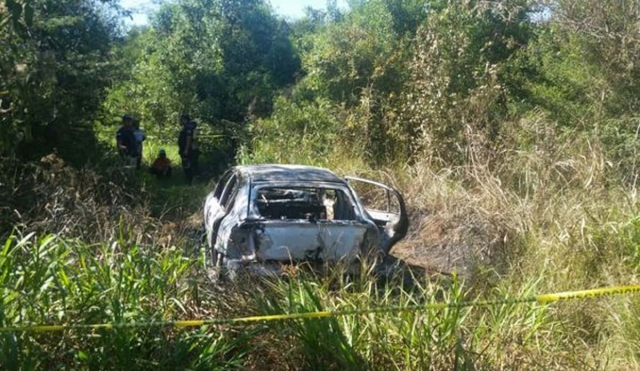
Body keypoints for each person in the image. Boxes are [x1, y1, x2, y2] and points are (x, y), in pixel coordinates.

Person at [178, 113, 196, 184]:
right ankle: (189, 179)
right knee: (186, 164)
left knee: (187, 164)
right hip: (184, 148)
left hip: (187, 149)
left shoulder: (188, 127)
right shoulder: (186, 127)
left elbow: (188, 138)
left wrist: (186, 149)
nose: (181, 121)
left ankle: (190, 180)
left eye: (182, 119)